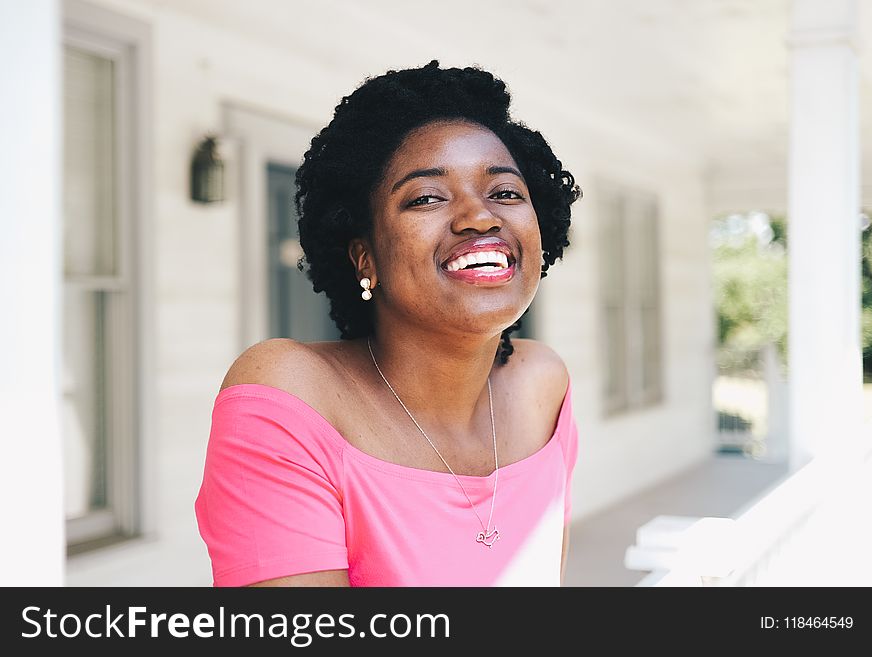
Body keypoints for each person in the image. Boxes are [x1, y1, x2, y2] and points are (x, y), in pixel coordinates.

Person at [195, 61, 582, 587]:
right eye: (426, 197)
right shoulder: (290, 394)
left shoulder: (544, 387)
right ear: (364, 258)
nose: (481, 217)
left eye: (506, 193)